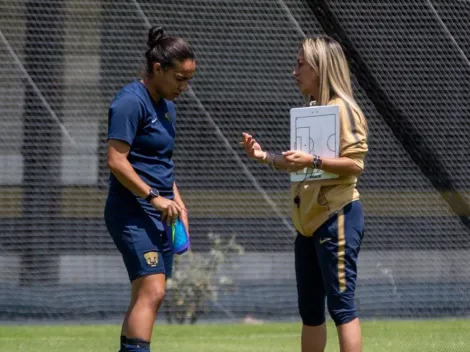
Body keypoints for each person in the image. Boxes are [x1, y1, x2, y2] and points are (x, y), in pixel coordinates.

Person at [241, 35, 368, 352]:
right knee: (310, 312)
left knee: (341, 308)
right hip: (307, 224)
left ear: (321, 68)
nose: (294, 71)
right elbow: (301, 165)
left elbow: (355, 164)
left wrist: (314, 159)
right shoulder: (314, 109)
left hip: (336, 218)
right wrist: (264, 157)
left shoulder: (344, 110)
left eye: (301, 64)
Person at [104, 25, 195, 352]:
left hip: (163, 214)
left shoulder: (168, 107)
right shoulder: (130, 101)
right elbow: (116, 160)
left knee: (147, 292)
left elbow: (162, 163)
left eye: (189, 80)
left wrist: (179, 205)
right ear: (159, 69)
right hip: (132, 212)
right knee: (153, 291)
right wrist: (154, 198)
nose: (184, 87)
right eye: (180, 79)